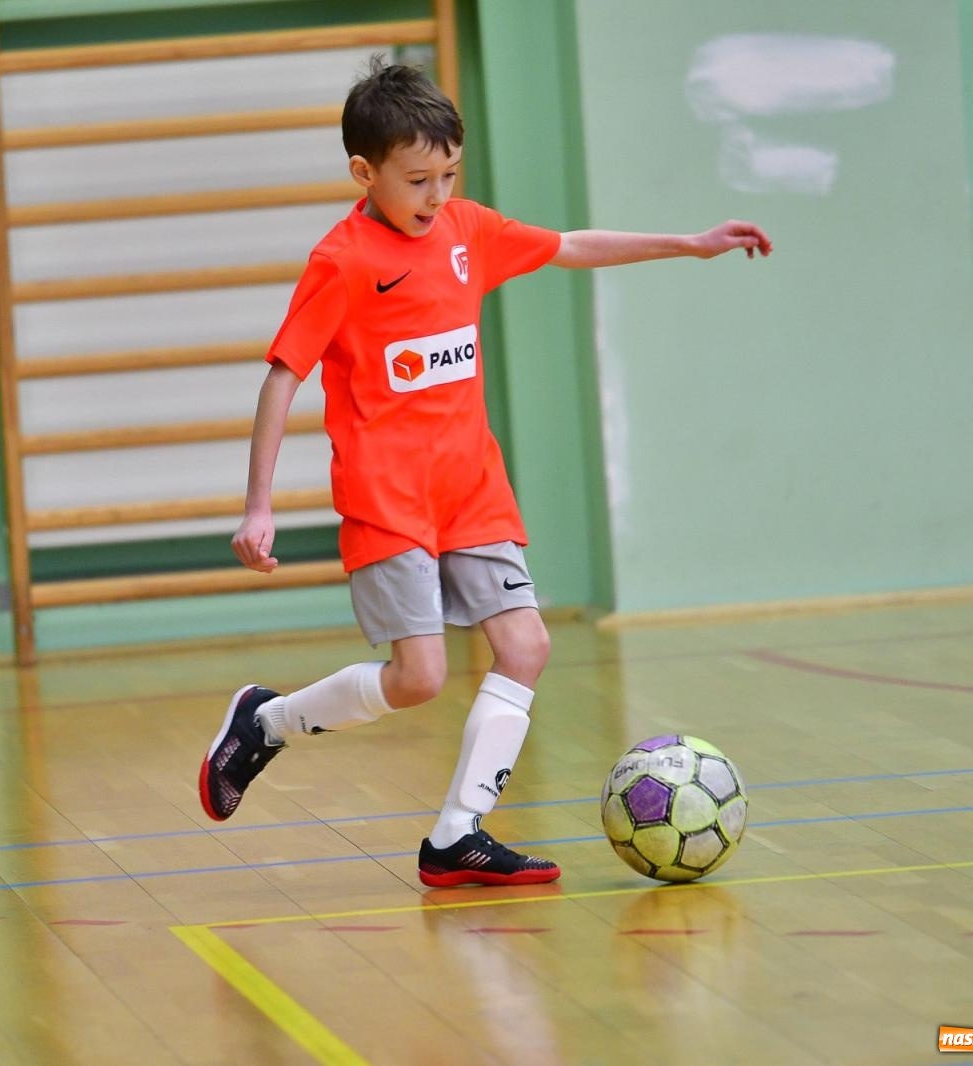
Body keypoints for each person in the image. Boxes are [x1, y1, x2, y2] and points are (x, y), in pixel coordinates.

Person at [197, 60, 771, 887]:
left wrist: (688, 244)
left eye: (450, 175)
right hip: (387, 496)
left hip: (471, 489)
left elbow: (569, 245)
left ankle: (457, 834)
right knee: (419, 679)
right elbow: (283, 376)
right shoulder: (343, 259)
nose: (437, 195)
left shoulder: (467, 231)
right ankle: (268, 722)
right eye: (418, 179)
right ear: (365, 173)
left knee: (526, 646)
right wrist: (259, 508)